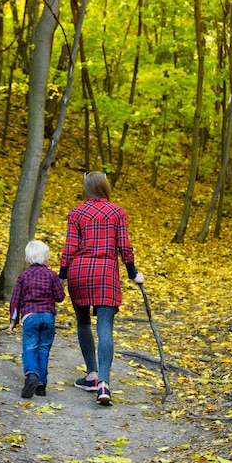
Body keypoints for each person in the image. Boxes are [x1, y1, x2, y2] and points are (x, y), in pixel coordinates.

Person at [59, 171, 144, 406]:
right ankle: (103, 384)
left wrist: (62, 275)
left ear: (86, 187)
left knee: (83, 322)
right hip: (106, 274)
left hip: (79, 272)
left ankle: (91, 375)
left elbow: (69, 246)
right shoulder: (118, 212)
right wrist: (133, 273)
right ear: (105, 186)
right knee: (104, 327)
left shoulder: (76, 213)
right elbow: (124, 245)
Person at [9, 240, 65, 398]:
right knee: (43, 349)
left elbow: (15, 300)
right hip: (48, 316)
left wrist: (13, 320)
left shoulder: (23, 276)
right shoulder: (52, 275)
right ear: (46, 259)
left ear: (27, 260)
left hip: (30, 316)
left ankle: (32, 373)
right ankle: (41, 385)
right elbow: (60, 297)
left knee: (29, 348)